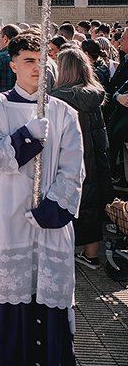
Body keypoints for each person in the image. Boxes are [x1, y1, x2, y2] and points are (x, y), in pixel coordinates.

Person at [0, 32, 84, 366]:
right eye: (29, 60)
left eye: (42, 60)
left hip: (49, 223)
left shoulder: (64, 113)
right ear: (13, 64)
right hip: (9, 219)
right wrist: (25, 138)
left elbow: (74, 169)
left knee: (51, 298)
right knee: (11, 296)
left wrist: (52, 209)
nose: (38, 67)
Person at [51, 48, 113, 270]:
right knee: (92, 208)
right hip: (94, 161)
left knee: (68, 205)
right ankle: (92, 255)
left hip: (69, 161)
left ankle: (65, 253)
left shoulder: (58, 99)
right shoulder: (94, 96)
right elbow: (100, 136)